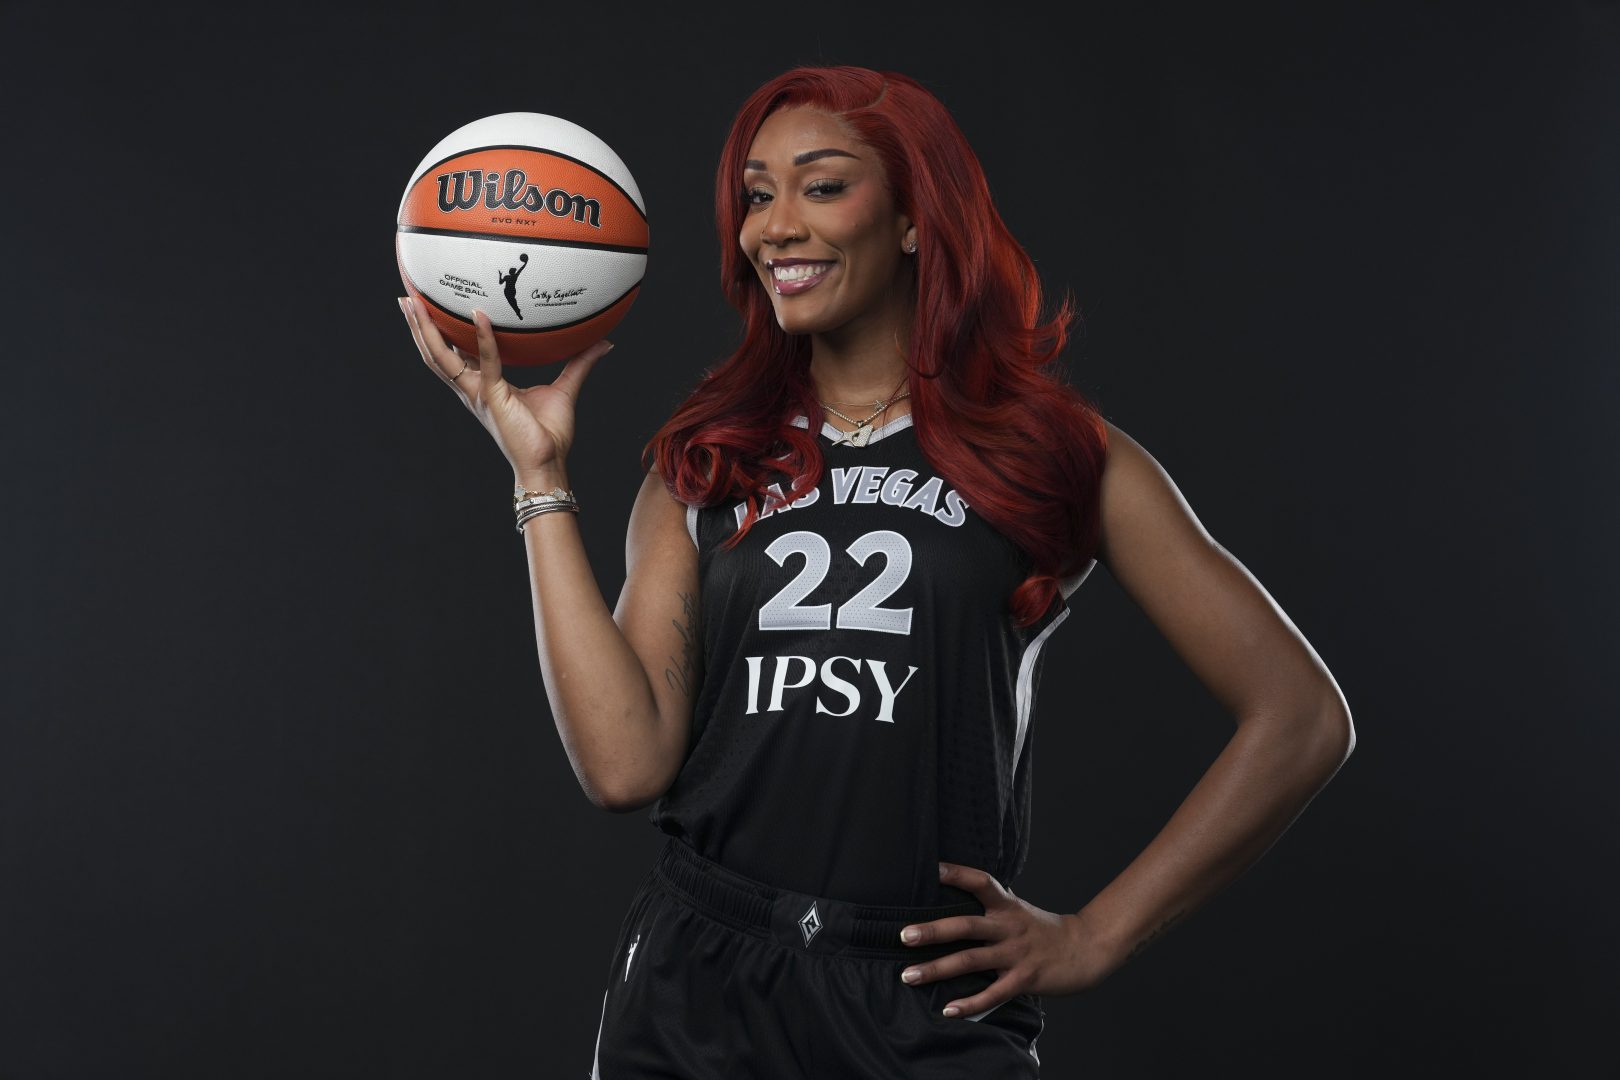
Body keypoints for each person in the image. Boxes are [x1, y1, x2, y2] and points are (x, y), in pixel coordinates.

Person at [398, 65, 1354, 1079]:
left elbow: (1301, 717)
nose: (776, 227)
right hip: (699, 987)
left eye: (822, 185)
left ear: (911, 217)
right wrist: (538, 475)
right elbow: (625, 766)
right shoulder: (707, 462)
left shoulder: (1055, 456)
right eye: (758, 196)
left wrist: (1093, 934)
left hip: (923, 1000)